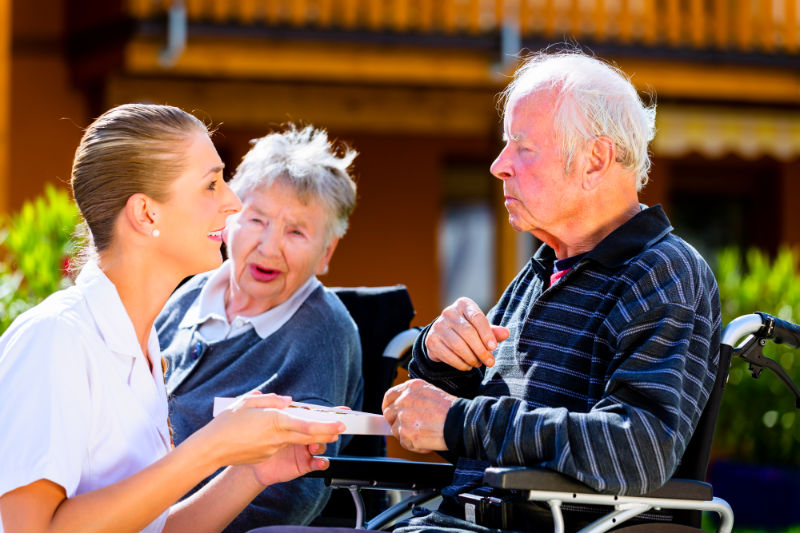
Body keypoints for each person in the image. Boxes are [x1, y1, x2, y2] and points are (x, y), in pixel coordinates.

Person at [378, 49, 721, 532]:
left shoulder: (664, 272)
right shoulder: (546, 268)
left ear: (595, 160)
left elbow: (636, 451)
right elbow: (479, 431)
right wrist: (438, 359)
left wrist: (459, 420)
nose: (499, 165)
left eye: (523, 146)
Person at [0, 104, 346, 533]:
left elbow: (153, 528)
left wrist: (249, 471)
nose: (233, 203)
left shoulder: (144, 349)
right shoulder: (55, 338)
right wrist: (210, 446)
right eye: (211, 185)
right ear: (147, 214)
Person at [155, 124, 363, 530]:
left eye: (297, 231)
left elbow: (291, 494)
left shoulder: (324, 333)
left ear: (327, 252)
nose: (269, 246)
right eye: (257, 220)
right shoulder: (185, 291)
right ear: (231, 217)